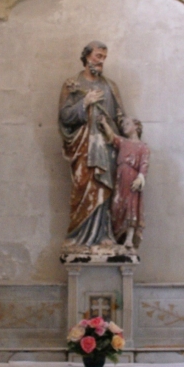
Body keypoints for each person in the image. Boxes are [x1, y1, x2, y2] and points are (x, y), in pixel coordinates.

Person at [58, 41, 125, 250]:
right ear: (87, 57)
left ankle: (104, 234)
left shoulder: (110, 86)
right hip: (83, 146)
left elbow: (120, 116)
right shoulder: (71, 85)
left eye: (104, 57)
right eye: (98, 56)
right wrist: (85, 102)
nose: (102, 61)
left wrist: (129, 132)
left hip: (105, 146)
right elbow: (64, 116)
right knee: (82, 186)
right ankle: (77, 235)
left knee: (104, 187)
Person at [109, 116, 150, 250]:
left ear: (136, 127)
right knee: (116, 205)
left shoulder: (143, 146)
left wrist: (140, 177)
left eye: (127, 124)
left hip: (132, 179)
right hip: (120, 178)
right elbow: (112, 136)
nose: (124, 126)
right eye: (123, 124)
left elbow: (144, 163)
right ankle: (117, 236)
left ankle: (129, 239)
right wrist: (103, 123)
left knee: (131, 206)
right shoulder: (123, 142)